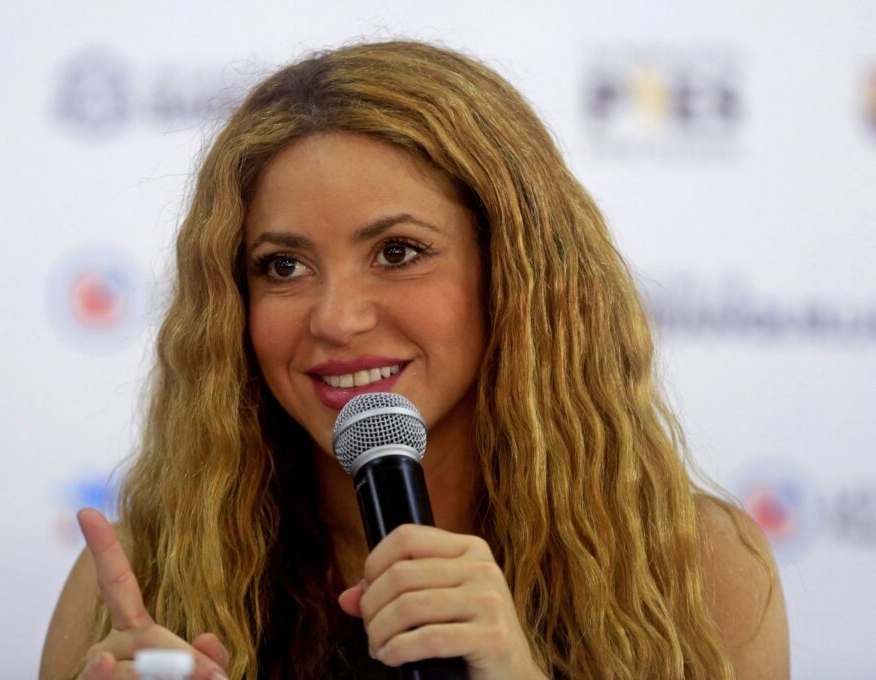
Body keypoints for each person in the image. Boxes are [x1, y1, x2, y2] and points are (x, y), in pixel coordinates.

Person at [39, 40, 789, 679]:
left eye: (398, 253)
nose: (336, 319)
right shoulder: (142, 577)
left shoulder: (693, 566)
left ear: (515, 275)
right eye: (282, 266)